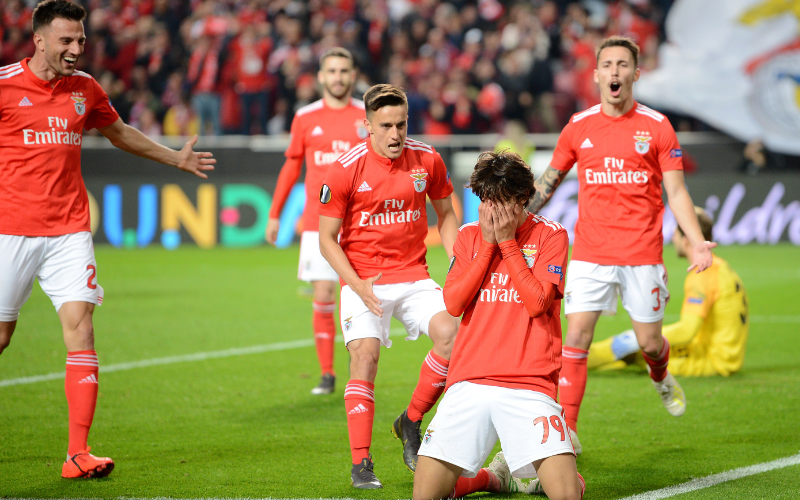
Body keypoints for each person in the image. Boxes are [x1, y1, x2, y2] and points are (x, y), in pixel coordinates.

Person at [0, 0, 215, 479]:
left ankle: (78, 453)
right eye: (66, 40)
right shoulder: (4, 86)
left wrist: (174, 159)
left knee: (81, 328)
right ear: (38, 39)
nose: (77, 48)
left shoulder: (85, 89)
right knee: (2, 336)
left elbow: (118, 132)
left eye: (80, 39)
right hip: (9, 231)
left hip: (69, 231)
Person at [527, 36, 716, 454]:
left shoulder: (657, 126)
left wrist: (698, 242)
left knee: (650, 343)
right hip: (591, 252)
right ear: (595, 75)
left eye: (622, 65)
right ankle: (567, 434)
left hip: (641, 254)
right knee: (575, 335)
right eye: (607, 64)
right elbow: (550, 181)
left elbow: (678, 193)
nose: (614, 72)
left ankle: (660, 375)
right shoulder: (578, 125)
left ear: (635, 72)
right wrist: (520, 217)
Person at [414, 150, 584, 500]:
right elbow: (453, 303)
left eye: (502, 201)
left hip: (529, 386)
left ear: (524, 199)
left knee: (568, 496)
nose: (492, 209)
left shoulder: (551, 236)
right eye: (486, 200)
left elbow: (538, 304)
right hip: (468, 382)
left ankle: (529, 471)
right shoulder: (469, 236)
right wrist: (489, 246)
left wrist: (506, 243)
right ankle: (495, 477)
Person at [318, 83, 459, 489]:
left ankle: (410, 420)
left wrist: (454, 260)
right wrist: (357, 285)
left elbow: (446, 213)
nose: (395, 134)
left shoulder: (427, 158)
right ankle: (361, 463)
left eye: (401, 124)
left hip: (414, 274)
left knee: (452, 337)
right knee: (365, 356)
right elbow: (327, 238)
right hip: (364, 278)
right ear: (367, 125)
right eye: (386, 126)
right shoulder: (346, 168)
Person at [265, 47, 366, 396]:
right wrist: (275, 213)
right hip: (318, 223)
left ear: (353, 75)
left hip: (361, 223)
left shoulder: (366, 116)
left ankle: (360, 373)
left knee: (357, 295)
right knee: (323, 293)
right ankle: (327, 374)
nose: (338, 77)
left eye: (344, 70)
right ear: (321, 77)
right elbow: (292, 167)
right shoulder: (305, 116)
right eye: (332, 71)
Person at [588, 207, 749, 377]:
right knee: (635, 350)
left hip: (710, 360)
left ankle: (568, 361)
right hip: (724, 355)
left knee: (632, 347)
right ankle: (572, 360)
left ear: (686, 239)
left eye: (676, 233)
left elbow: (687, 330)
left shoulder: (703, 273)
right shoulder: (719, 266)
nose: (672, 238)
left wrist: (641, 338)